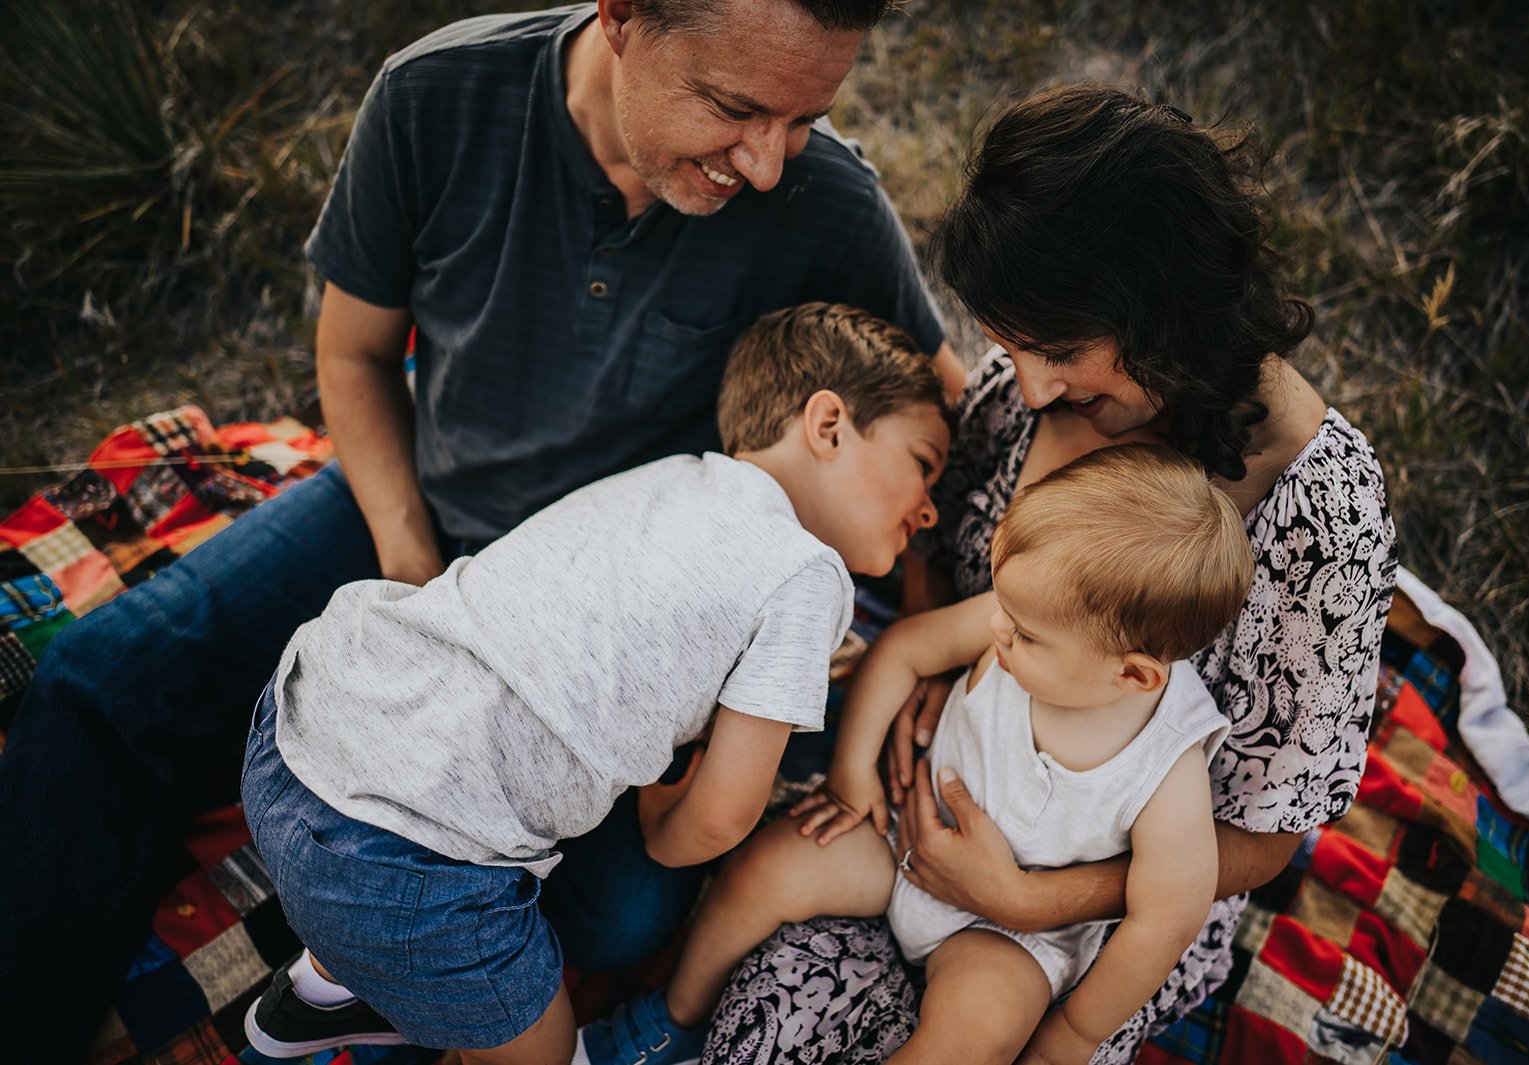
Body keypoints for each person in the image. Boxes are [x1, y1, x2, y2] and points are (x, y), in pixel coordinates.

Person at [0, 1, 963, 1056]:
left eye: (806, 116)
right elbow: (357, 358)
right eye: (735, 109)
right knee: (104, 684)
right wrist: (411, 563)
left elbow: (928, 413)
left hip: (611, 603)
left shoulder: (827, 200)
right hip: (424, 506)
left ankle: (365, 958)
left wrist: (920, 644)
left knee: (620, 916)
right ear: (623, 15)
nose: (772, 162)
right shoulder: (436, 94)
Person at [704, 84, 1398, 1064]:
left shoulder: (1322, 520)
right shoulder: (1031, 382)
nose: (1026, 388)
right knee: (766, 1015)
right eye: (1011, 348)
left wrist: (1022, 897)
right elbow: (937, 573)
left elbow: (1261, 839)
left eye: (1060, 353)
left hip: (1089, 919)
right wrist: (936, 673)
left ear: (1166, 309)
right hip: (926, 799)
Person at [239, 303, 951, 1063]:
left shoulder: (671, 478)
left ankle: (324, 988)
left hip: (300, 725)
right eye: (924, 463)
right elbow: (721, 817)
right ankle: (387, 970)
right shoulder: (811, 574)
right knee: (547, 1051)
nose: (932, 508)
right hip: (409, 852)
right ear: (830, 423)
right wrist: (661, 825)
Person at [589, 444, 1256, 1065]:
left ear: (1133, 675)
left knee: (982, 1028)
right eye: (1005, 608)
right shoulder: (1023, 617)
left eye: (1023, 632)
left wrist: (1073, 1034)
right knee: (768, 867)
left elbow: (1167, 916)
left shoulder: (1168, 760)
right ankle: (675, 1014)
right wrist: (853, 772)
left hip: (1011, 936)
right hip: (902, 834)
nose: (997, 628)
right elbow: (904, 649)